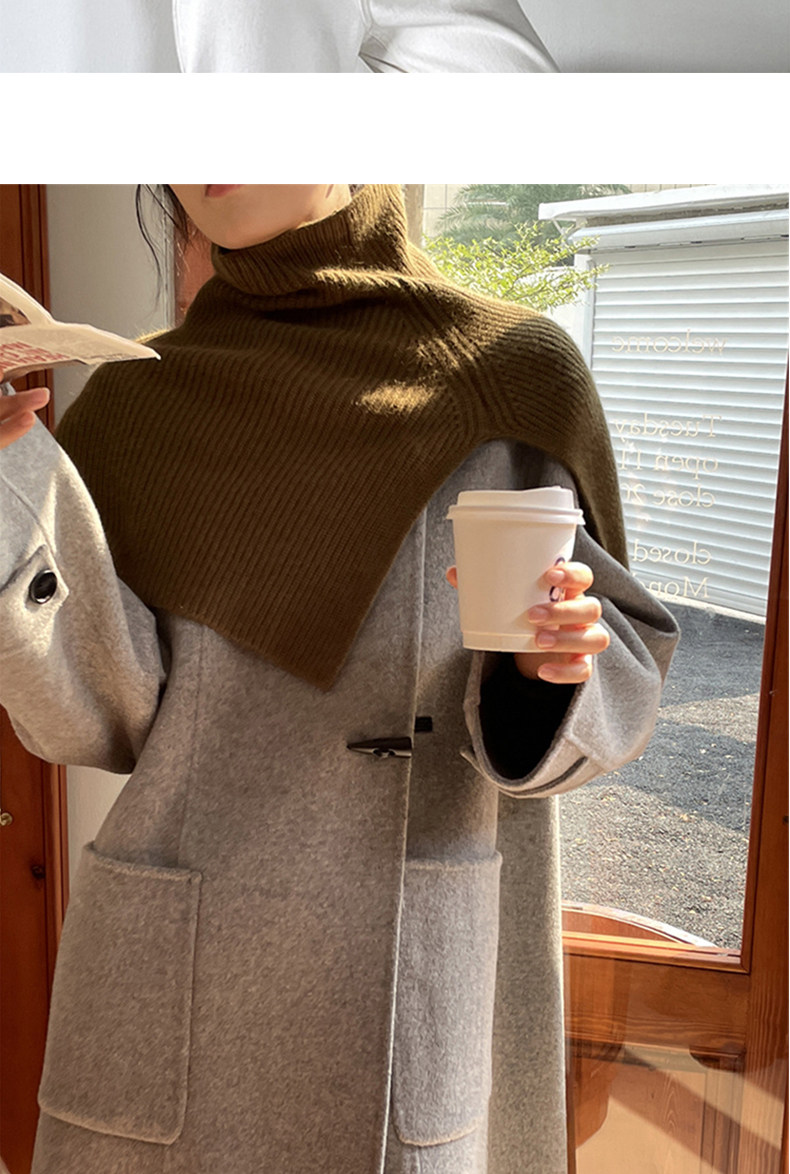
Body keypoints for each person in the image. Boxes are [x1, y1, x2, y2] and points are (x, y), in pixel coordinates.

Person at [0, 183, 679, 1174]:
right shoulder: (136, 399)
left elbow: (617, 668)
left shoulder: (513, 375)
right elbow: (99, 718)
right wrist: (10, 485)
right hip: (172, 992)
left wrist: (542, 674)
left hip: (411, 976)